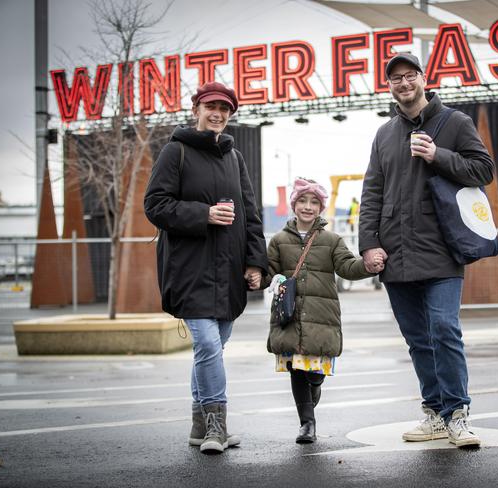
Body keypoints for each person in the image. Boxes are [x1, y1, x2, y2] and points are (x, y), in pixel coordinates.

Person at [358, 53, 495, 448]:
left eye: (409, 75)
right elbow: (372, 194)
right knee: (418, 339)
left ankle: (457, 414)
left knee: (444, 330)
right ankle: (434, 413)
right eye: (395, 78)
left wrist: (439, 156)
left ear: (423, 78)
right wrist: (369, 244)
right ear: (389, 86)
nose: (403, 83)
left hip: (441, 251)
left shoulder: (454, 123)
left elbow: (483, 169)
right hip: (395, 255)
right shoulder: (384, 134)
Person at [144, 81, 268, 454]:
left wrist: (255, 262)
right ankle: (217, 426)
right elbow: (155, 205)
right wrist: (204, 214)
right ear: (196, 109)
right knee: (209, 347)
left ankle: (199, 425)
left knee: (211, 350)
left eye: (225, 109)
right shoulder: (175, 151)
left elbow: (250, 213)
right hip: (190, 271)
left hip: (229, 272)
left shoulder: (235, 158)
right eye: (211, 106)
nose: (218, 114)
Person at [265, 177, 382, 443]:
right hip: (290, 316)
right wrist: (254, 276)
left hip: (321, 315)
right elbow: (268, 273)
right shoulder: (279, 240)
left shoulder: (332, 240)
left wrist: (367, 265)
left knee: (315, 373)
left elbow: (346, 267)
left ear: (320, 207)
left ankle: (315, 385)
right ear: (294, 205)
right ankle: (307, 424)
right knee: (297, 368)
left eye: (314, 202)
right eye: (303, 201)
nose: (307, 206)